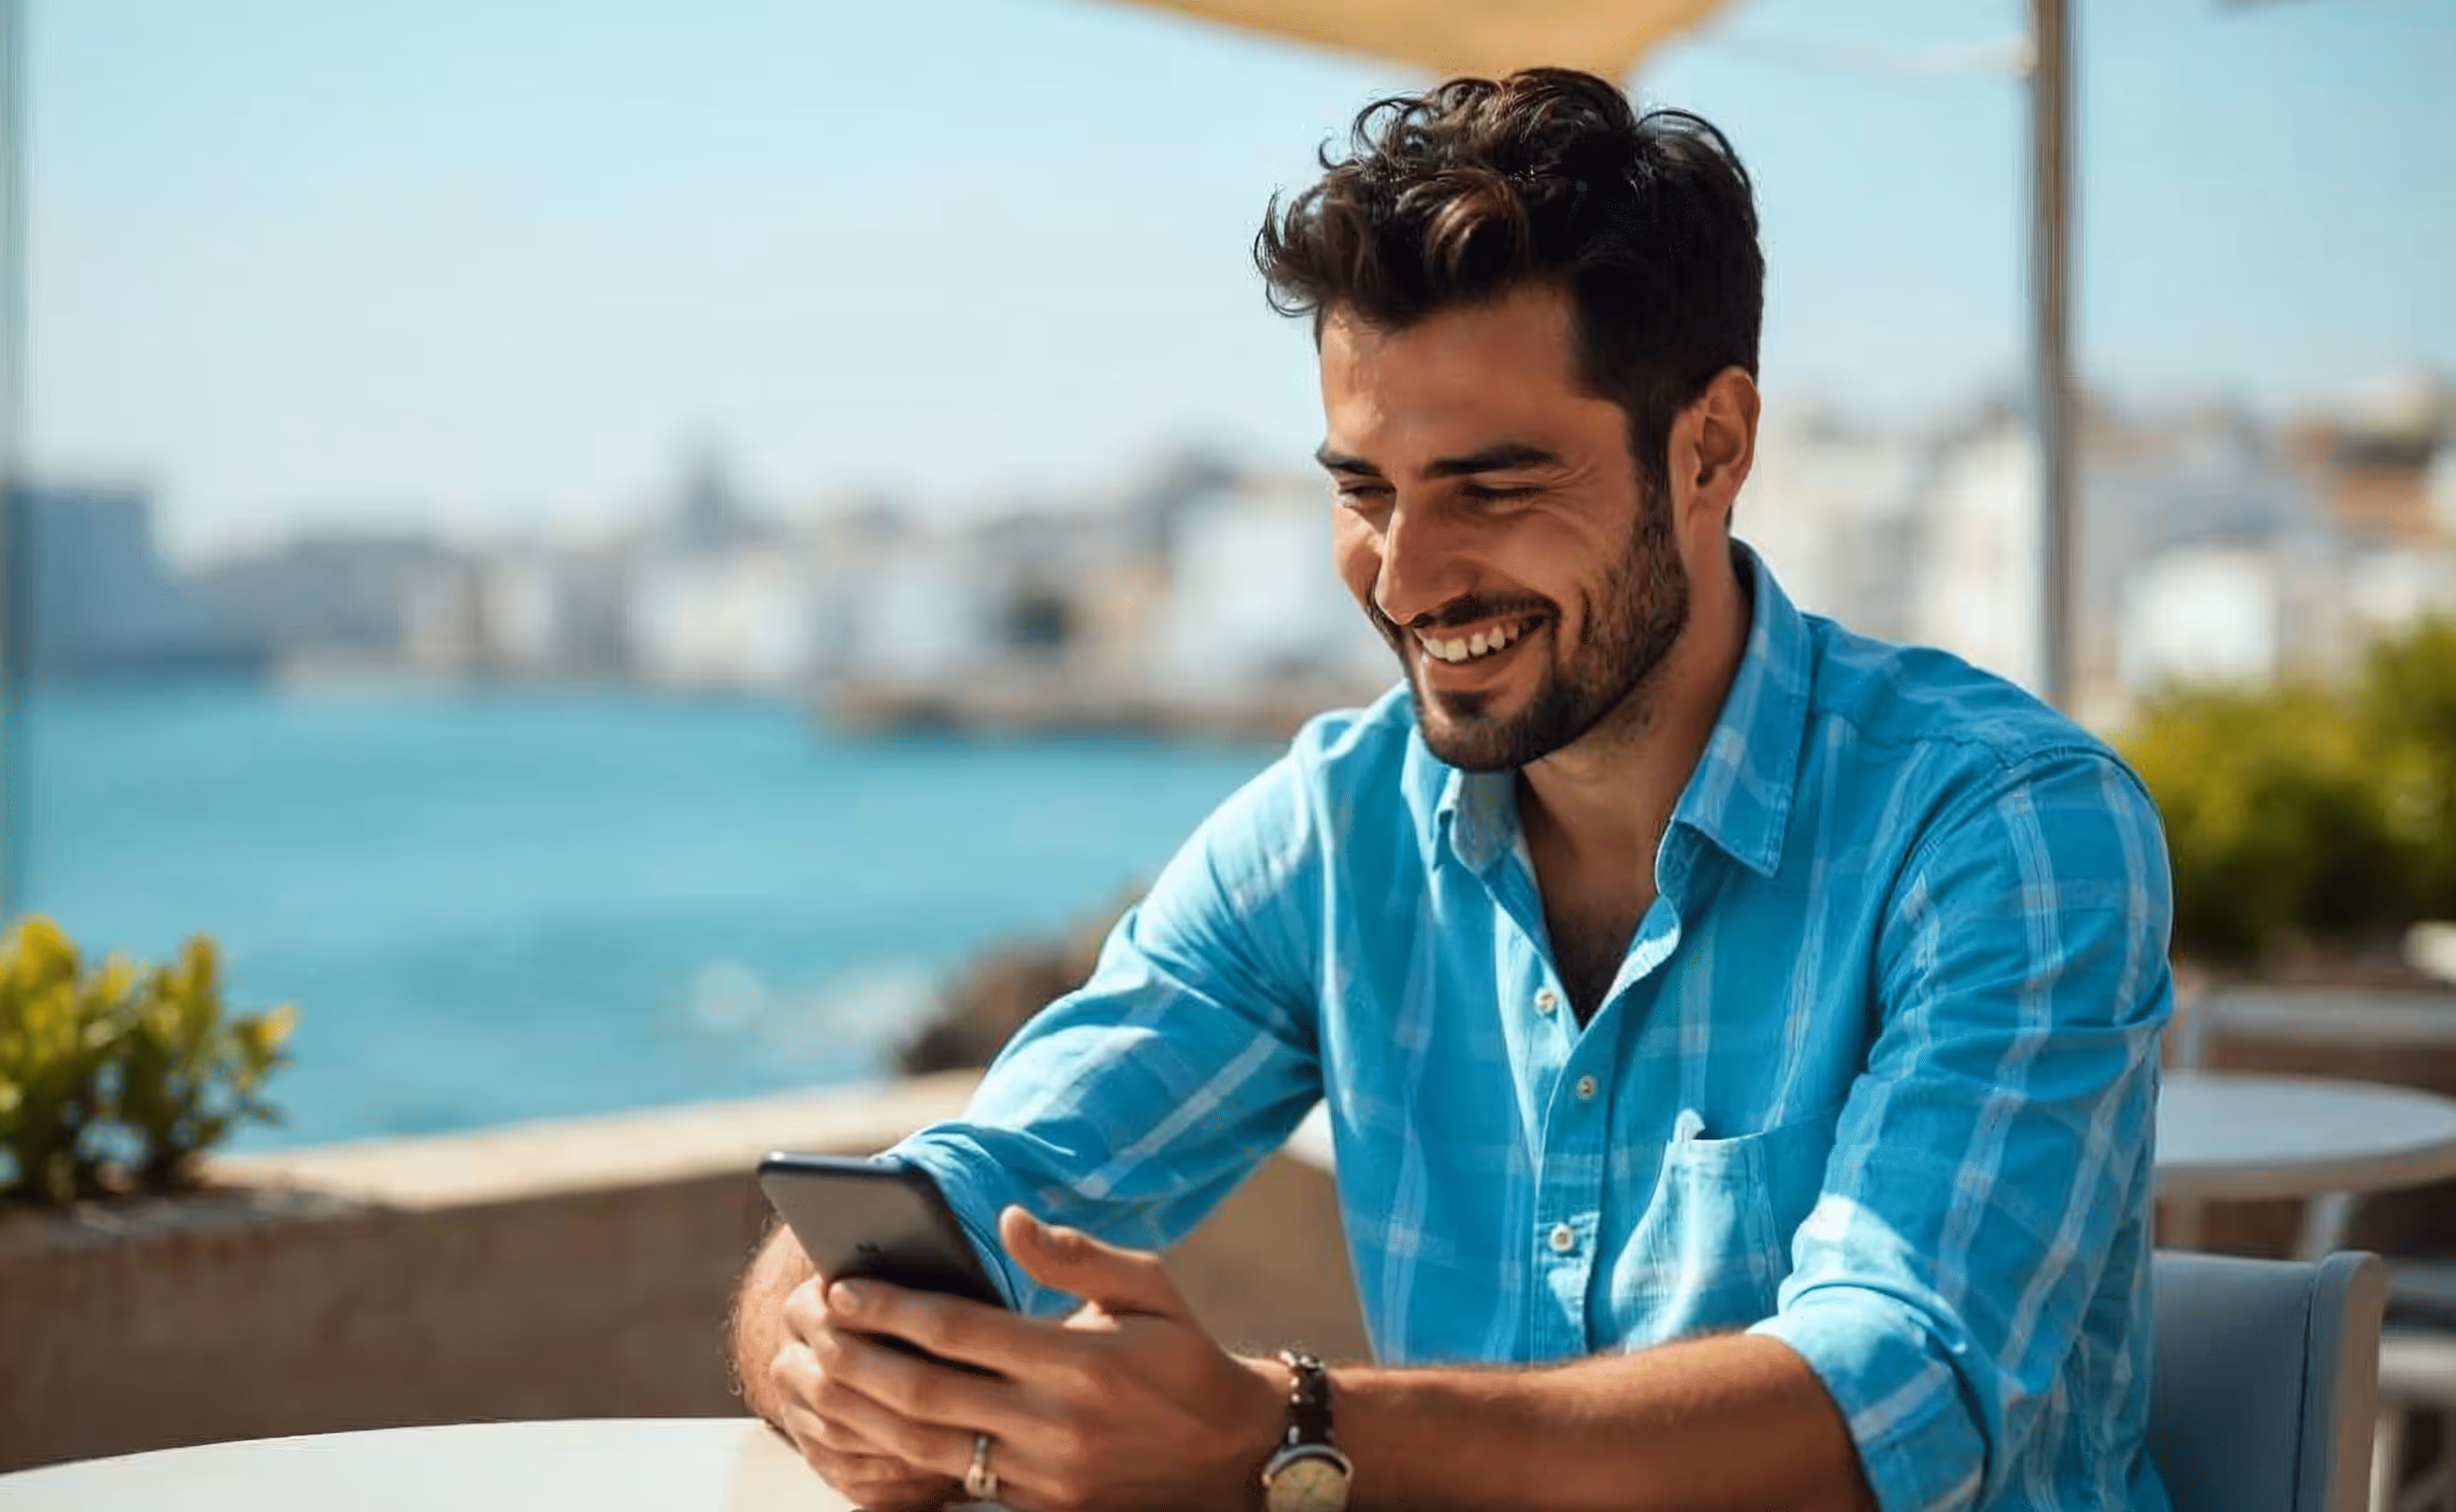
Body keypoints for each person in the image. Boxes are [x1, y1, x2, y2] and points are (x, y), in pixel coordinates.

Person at [731, 67, 2173, 1512]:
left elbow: (1894, 1397)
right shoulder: (1330, 831)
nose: (1406, 579)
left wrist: (1283, 1434)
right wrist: (814, 1335)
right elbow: (983, 1177)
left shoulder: (2005, 828)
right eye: (1364, 490)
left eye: (1492, 486)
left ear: (1712, 449)